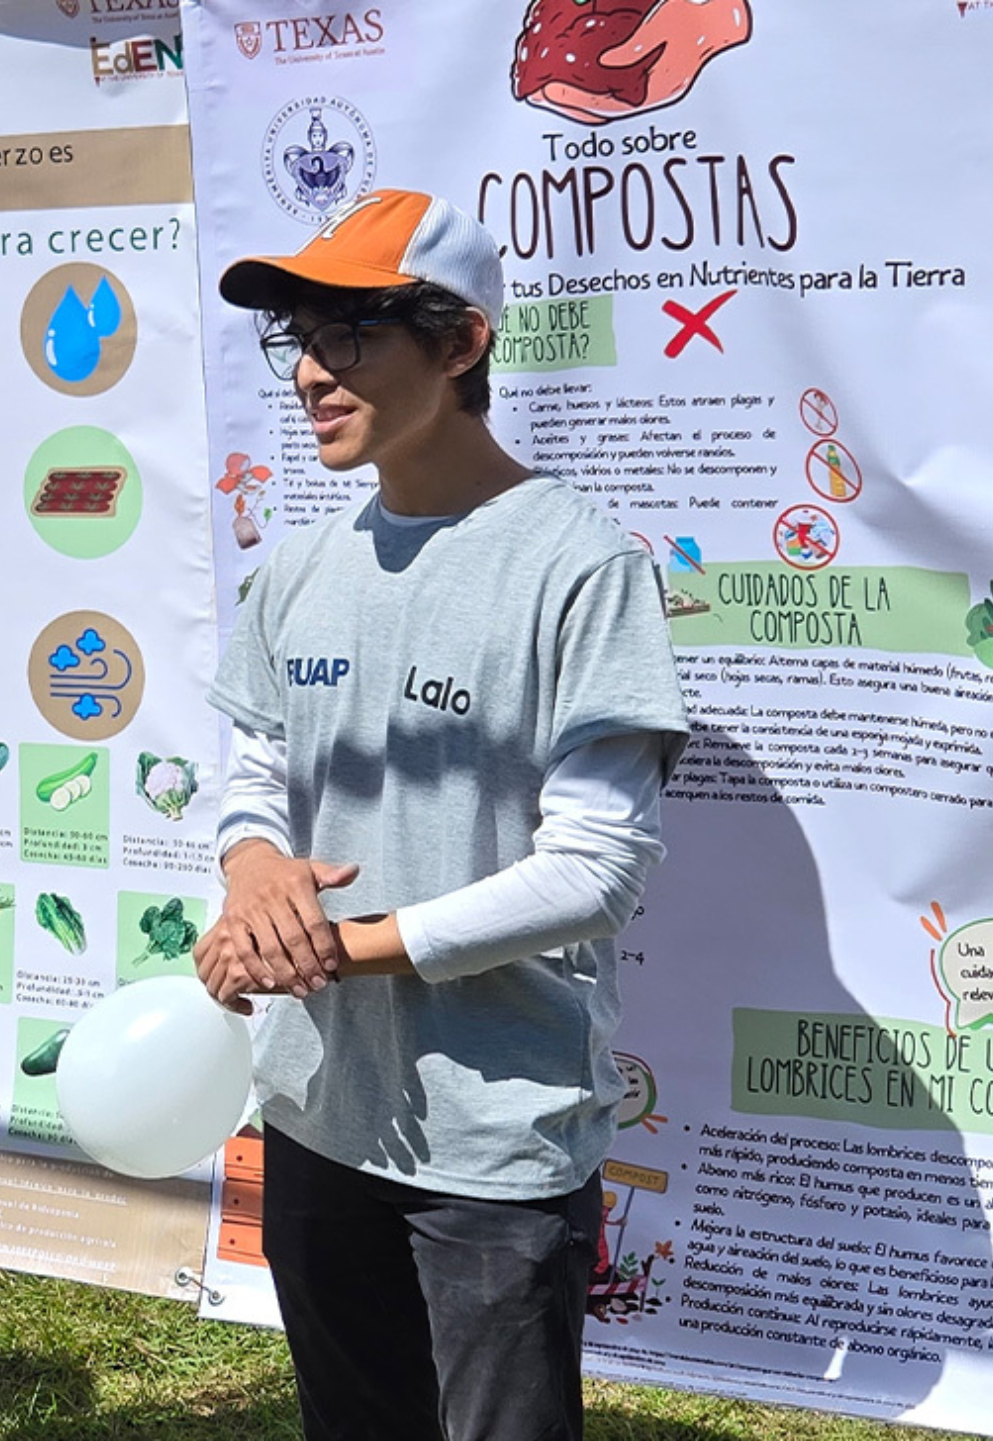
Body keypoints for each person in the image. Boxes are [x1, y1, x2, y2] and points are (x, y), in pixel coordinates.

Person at [197, 190, 690, 1441]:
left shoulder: (578, 568)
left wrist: (325, 947)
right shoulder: (298, 568)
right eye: (299, 339)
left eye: (349, 335)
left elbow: (592, 869)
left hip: (491, 1139)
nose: (310, 372)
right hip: (313, 1104)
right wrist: (255, 874)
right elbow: (252, 758)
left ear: (461, 343)